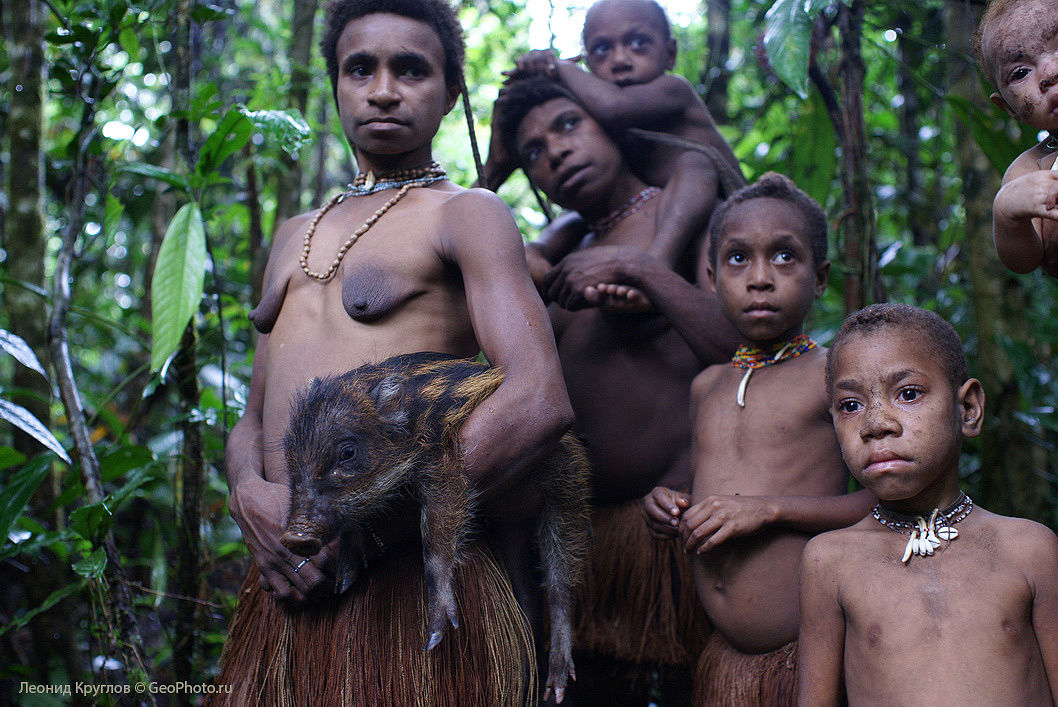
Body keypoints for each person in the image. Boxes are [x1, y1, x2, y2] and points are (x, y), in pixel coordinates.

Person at [211, 1, 572, 704]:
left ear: (449, 92)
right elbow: (254, 416)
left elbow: (538, 397)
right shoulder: (292, 233)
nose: (383, 89)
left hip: (406, 587)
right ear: (335, 85)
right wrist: (248, 494)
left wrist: (376, 524)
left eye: (410, 69)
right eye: (360, 69)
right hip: (289, 588)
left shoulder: (466, 215)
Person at [492, 75, 739, 702]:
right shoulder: (562, 248)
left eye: (569, 125)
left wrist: (645, 271)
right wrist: (492, 171)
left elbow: (746, 353)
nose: (556, 152)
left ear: (610, 121)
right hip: (584, 554)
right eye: (533, 152)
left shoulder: (681, 213)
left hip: (675, 539)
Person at [631, 173, 873, 704]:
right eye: (739, 259)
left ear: (821, 277)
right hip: (726, 660)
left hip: (810, 655)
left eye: (785, 257)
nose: (760, 278)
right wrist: (666, 504)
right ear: (712, 276)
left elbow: (885, 502)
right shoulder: (706, 387)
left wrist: (770, 510)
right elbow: (699, 485)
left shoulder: (833, 374)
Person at [798, 303, 1058, 705]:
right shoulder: (829, 561)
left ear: (968, 409)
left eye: (908, 394)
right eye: (851, 405)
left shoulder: (1029, 549)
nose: (876, 424)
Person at [485, 0, 742, 299]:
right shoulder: (613, 137)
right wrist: (533, 253)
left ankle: (658, 262)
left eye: (638, 42)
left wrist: (560, 66)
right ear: (590, 64)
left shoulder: (674, 91)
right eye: (602, 49)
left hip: (742, 213)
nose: (620, 59)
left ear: (670, 53)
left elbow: (612, 106)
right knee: (575, 221)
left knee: (695, 163)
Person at [976, 0, 1058, 278]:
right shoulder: (1030, 170)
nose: (1050, 72)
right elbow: (1024, 261)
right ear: (1008, 108)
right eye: (1021, 72)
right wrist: (1007, 212)